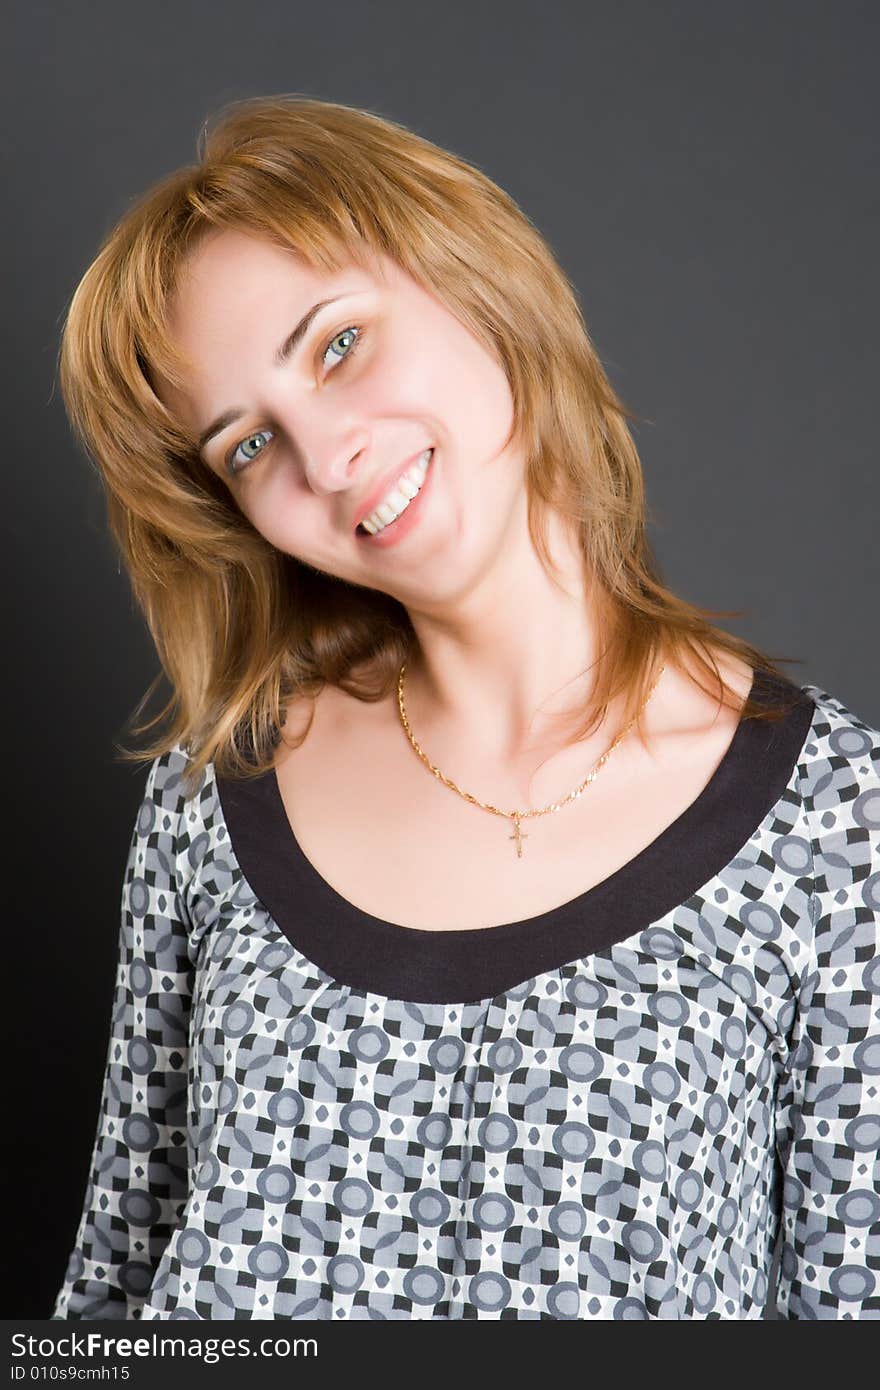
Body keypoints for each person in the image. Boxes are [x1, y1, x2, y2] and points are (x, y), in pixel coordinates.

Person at [50, 94, 879, 1321]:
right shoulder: (213, 796)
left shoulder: (835, 824)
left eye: (336, 345)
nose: (327, 460)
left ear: (470, 276)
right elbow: (113, 1296)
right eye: (246, 446)